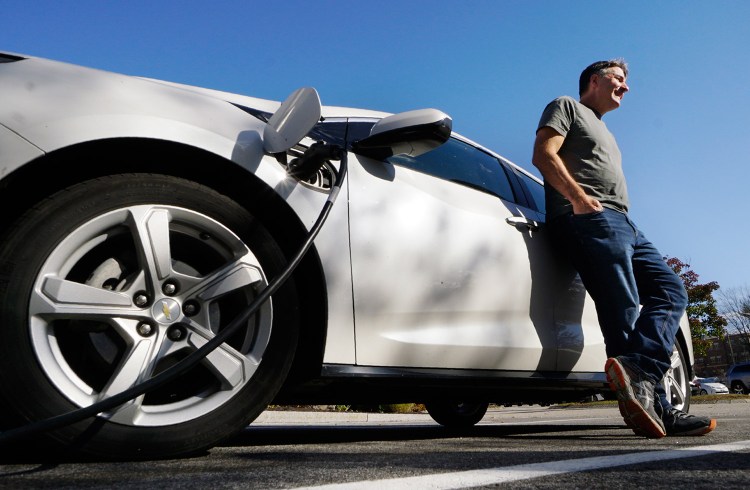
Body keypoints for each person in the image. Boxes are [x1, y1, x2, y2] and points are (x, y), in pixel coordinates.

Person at [532, 59, 716, 438]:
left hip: (624, 221)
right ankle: (658, 410)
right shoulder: (567, 106)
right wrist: (578, 197)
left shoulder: (605, 129)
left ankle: (644, 382)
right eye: (618, 79)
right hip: (589, 216)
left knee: (671, 291)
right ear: (595, 80)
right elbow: (543, 154)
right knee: (623, 309)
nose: (626, 87)